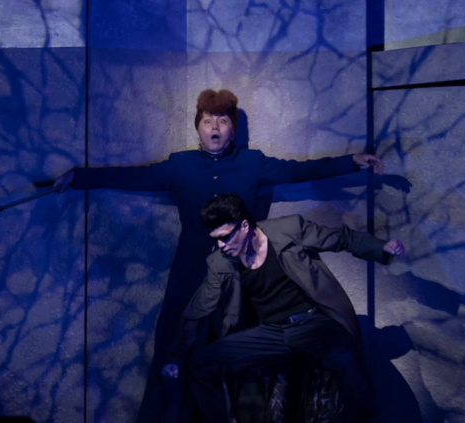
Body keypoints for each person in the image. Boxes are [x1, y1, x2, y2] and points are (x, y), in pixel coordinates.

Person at [53, 89, 384, 422]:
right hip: (190, 273)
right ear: (198, 128)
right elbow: (133, 176)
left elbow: (297, 171)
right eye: (208, 120)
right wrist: (79, 177)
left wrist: (350, 162)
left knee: (238, 356)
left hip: (241, 277)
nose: (215, 127)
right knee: (177, 345)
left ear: (233, 130)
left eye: (223, 121)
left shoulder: (252, 163)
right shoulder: (179, 165)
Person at [162, 194, 405, 423]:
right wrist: (176, 356)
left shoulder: (288, 229)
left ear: (244, 226)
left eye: (225, 236)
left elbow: (341, 238)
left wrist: (380, 247)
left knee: (346, 359)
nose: (220, 245)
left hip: (313, 323)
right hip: (271, 333)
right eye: (215, 238)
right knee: (202, 363)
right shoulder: (220, 263)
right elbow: (197, 310)